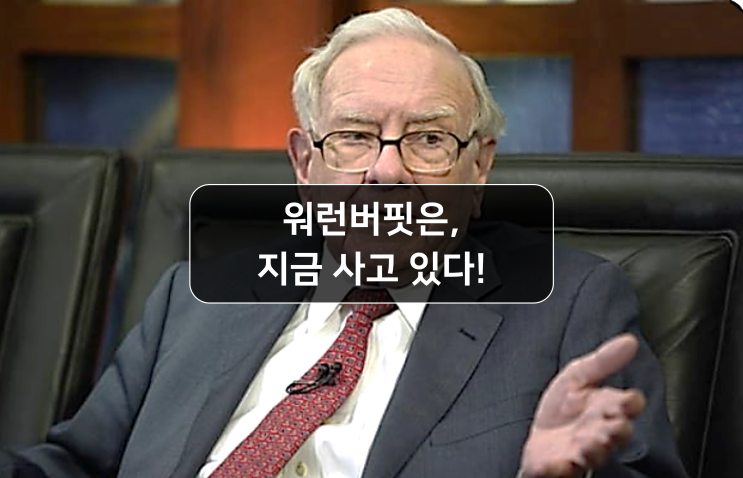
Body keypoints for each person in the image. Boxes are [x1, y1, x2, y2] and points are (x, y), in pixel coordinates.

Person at [0, 7, 687, 478]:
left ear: (478, 168)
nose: (386, 171)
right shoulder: (193, 298)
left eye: (428, 139)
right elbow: (75, 465)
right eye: (355, 136)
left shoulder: (568, 306)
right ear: (305, 164)